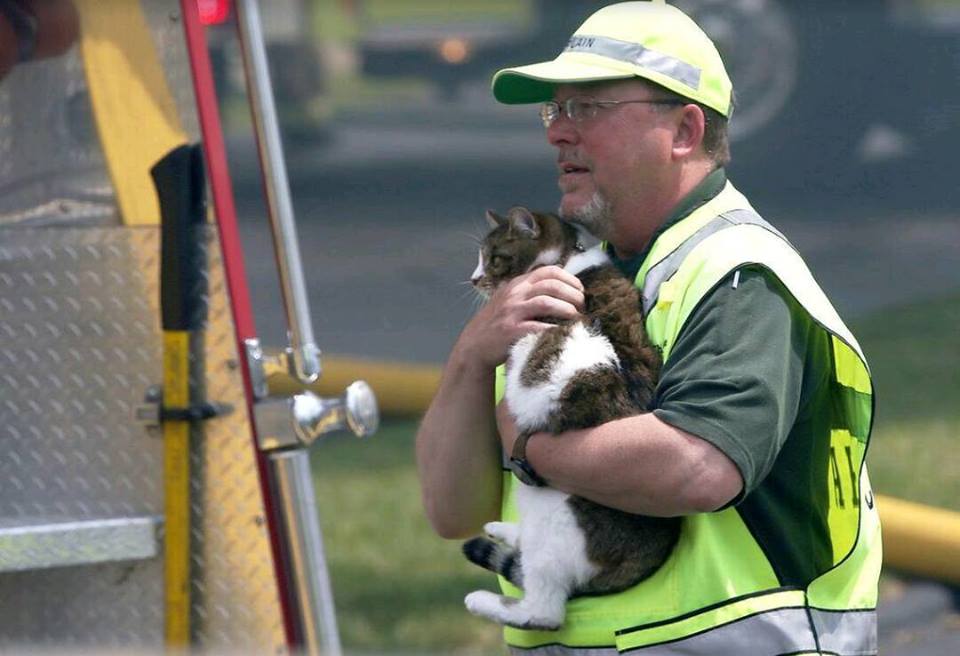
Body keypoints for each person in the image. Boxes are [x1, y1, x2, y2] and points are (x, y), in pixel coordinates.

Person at [416, 2, 880, 654]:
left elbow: (699, 467)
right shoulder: (573, 275)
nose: (557, 134)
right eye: (554, 111)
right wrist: (470, 359)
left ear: (684, 131)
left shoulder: (739, 272)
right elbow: (453, 511)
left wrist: (531, 447)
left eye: (588, 109)